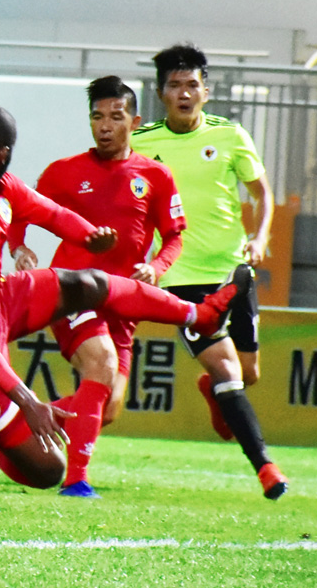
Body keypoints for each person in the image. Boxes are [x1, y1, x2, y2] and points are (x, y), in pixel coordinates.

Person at [0, 103, 242, 495]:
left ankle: (200, 315)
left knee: (90, 283)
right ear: (3, 154)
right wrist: (28, 401)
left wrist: (88, 236)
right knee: (48, 470)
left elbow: (50, 213)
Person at [10, 76, 186, 497]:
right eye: (97, 117)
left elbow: (174, 236)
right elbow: (20, 211)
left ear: (135, 122)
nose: (105, 126)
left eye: (115, 117)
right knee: (102, 362)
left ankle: (4, 425)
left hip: (124, 300)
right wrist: (19, 247)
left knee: (107, 407)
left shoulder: (156, 176)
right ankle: (76, 481)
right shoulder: (64, 172)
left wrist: (156, 267)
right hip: (74, 291)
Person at [130, 43, 287, 500]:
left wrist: (259, 238)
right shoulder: (142, 144)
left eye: (192, 85)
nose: (184, 93)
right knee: (226, 368)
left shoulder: (231, 136)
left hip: (234, 274)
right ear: (161, 93)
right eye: (175, 85)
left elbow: (262, 193)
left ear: (206, 91)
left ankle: (212, 389)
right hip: (181, 279)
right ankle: (266, 468)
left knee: (248, 373)